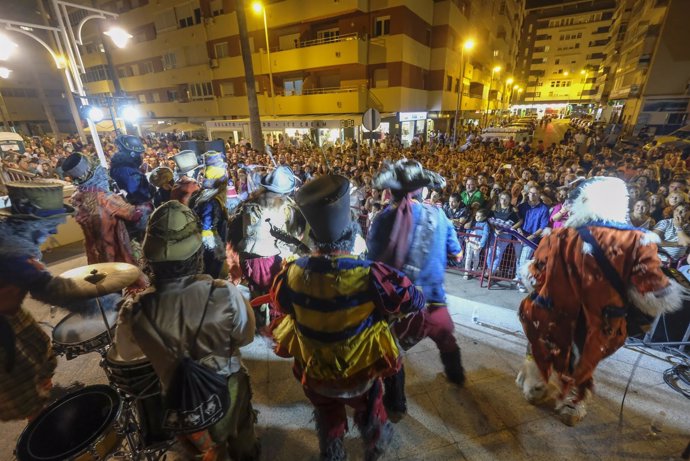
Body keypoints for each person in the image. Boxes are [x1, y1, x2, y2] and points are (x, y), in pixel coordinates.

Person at [269, 175, 425, 461]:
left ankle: (332, 450)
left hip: (315, 371)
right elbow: (414, 299)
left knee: (326, 411)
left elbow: (282, 307)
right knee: (371, 399)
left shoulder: (290, 273)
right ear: (352, 235)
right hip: (359, 373)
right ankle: (374, 439)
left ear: (312, 237)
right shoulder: (370, 273)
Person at [516, 177, 684, 426]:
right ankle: (573, 400)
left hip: (552, 316)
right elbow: (653, 293)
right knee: (583, 360)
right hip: (599, 323)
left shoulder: (560, 236)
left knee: (546, 346)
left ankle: (536, 379)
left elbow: (533, 276)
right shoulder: (636, 241)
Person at [115, 200, 258, 461]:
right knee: (242, 435)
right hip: (229, 385)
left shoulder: (133, 309)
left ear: (151, 257)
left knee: (200, 453)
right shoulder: (224, 292)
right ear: (196, 254)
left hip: (178, 397)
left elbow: (126, 353)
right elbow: (245, 336)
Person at [367, 160, 465, 418]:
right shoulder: (440, 216)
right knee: (446, 339)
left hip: (402, 308)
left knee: (392, 352)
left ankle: (396, 404)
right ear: (421, 191)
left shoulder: (383, 218)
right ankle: (457, 377)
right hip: (435, 303)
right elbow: (457, 253)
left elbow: (371, 262)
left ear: (391, 191)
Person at [0, 182, 91, 421]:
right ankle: (39, 420)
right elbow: (54, 291)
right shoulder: (12, 255)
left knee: (39, 346)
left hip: (10, 314)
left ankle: (42, 394)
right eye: (50, 225)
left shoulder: (12, 238)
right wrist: (107, 301)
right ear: (32, 222)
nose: (54, 231)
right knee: (19, 374)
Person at [61, 153, 143, 266]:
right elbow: (134, 215)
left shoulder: (76, 197)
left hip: (96, 250)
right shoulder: (105, 198)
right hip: (116, 250)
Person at [191, 151, 229, 279]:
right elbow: (206, 229)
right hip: (210, 250)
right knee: (211, 275)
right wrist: (217, 251)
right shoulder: (211, 201)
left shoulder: (207, 196)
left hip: (209, 246)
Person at [514, 185, 550, 292]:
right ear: (528, 194)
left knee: (524, 260)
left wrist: (532, 236)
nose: (532, 195)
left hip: (532, 239)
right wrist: (519, 231)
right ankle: (518, 277)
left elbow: (543, 226)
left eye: (535, 193)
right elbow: (517, 219)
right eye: (530, 193)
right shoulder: (523, 206)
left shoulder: (543, 208)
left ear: (539, 194)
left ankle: (522, 282)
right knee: (518, 259)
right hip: (519, 236)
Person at [463, 208, 491, 279]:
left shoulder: (485, 225)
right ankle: (467, 271)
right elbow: (468, 229)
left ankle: (474, 270)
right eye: (476, 215)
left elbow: (485, 234)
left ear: (484, 217)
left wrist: (481, 244)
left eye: (479, 216)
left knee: (476, 257)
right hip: (469, 241)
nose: (476, 217)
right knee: (468, 256)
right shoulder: (473, 222)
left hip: (477, 242)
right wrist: (466, 237)